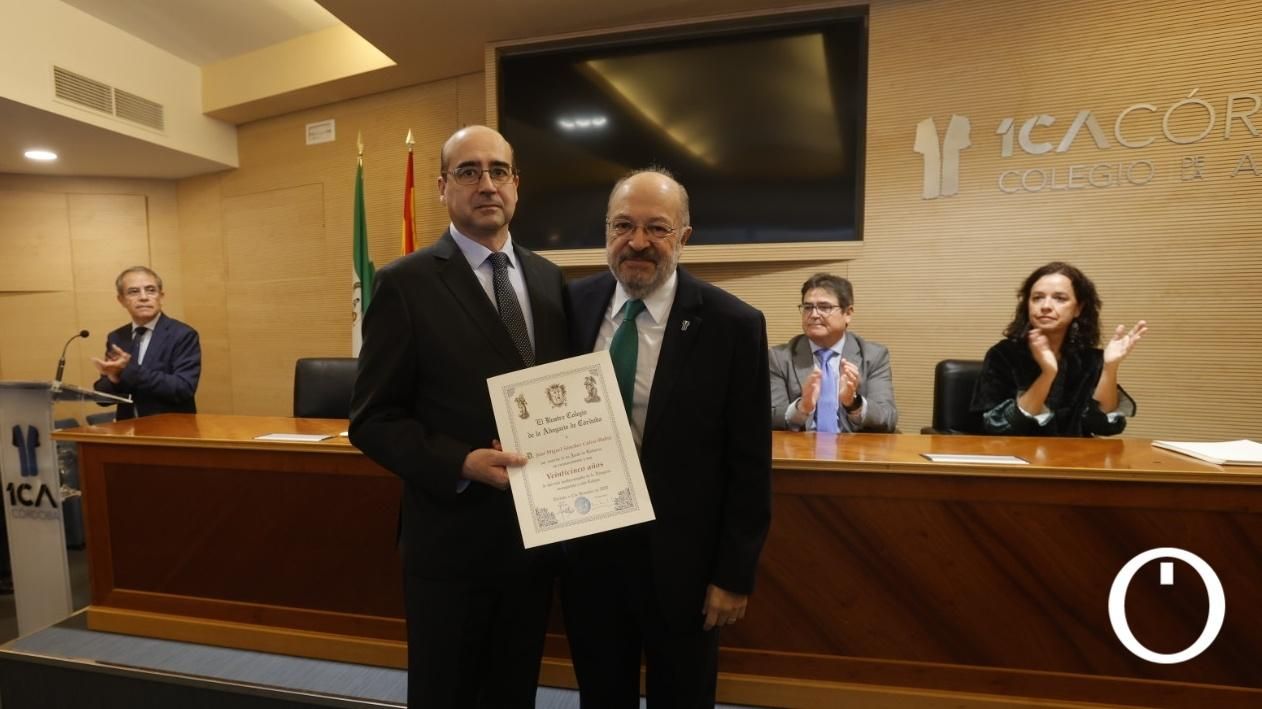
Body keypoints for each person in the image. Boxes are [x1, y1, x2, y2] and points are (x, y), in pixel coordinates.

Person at [349, 125, 569, 709]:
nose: (486, 184)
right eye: (468, 172)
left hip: (535, 535)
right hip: (451, 542)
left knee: (514, 691)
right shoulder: (404, 284)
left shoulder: (549, 279)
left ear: (516, 185)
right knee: (446, 693)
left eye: (499, 171)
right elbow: (372, 419)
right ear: (443, 187)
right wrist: (461, 462)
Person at [564, 167, 772, 708]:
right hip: (589, 556)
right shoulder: (570, 306)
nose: (637, 242)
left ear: (684, 237)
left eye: (657, 228)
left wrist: (734, 575)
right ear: (606, 232)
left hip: (685, 568)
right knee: (599, 696)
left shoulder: (733, 325)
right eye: (623, 226)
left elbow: (750, 463)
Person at [971, 261, 1147, 436]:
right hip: (1018, 452)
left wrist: (1110, 368)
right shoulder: (1003, 354)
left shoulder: (1090, 359)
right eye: (1037, 298)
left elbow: (1104, 427)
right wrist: (1048, 374)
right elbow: (996, 427)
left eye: (1060, 298)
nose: (1045, 306)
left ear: (1078, 308)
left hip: (1076, 453)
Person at [769, 273, 898, 433]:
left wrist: (853, 403)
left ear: (848, 313)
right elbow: (769, 417)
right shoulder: (779, 358)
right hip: (800, 446)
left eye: (824, 307)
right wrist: (801, 408)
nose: (814, 315)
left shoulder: (873, 356)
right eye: (808, 307)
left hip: (854, 447)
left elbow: (887, 418)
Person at [92, 266, 200, 420]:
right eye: (133, 292)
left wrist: (128, 371)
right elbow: (102, 399)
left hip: (171, 428)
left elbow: (183, 388)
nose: (143, 297)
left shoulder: (182, 334)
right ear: (121, 300)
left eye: (150, 290)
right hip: (128, 428)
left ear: (161, 296)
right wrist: (114, 378)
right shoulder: (117, 337)